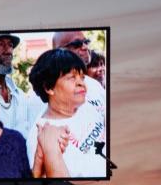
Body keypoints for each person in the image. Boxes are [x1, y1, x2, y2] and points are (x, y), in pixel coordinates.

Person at [25, 49, 107, 178]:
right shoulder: (40, 136)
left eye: (82, 77)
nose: (81, 83)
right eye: (72, 78)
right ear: (49, 87)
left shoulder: (88, 104)